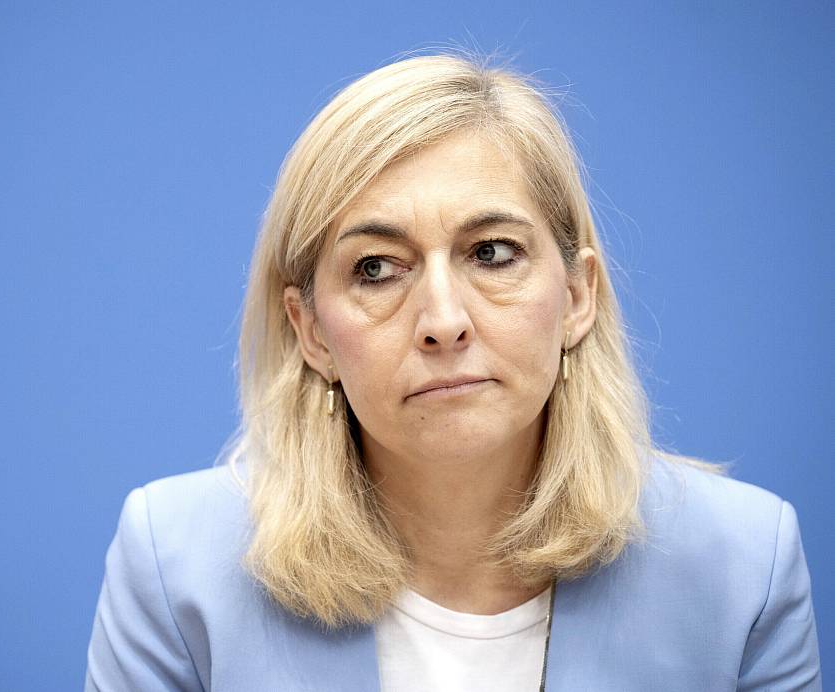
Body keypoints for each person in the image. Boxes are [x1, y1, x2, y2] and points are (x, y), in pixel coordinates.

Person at [83, 52, 822, 691]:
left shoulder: (744, 566)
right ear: (311, 331)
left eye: (492, 253)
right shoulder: (176, 568)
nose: (442, 320)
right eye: (376, 269)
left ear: (577, 297)